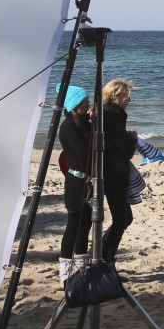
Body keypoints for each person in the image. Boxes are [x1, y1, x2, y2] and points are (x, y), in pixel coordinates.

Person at [57, 85, 93, 283]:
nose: (88, 106)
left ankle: (81, 265)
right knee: (73, 224)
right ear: (75, 106)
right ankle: (65, 269)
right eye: (85, 103)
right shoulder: (69, 127)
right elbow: (83, 153)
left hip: (88, 181)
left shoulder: (83, 123)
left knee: (86, 223)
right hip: (76, 181)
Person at [100, 78, 138, 264]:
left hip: (107, 171)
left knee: (124, 218)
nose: (129, 100)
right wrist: (132, 140)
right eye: (126, 96)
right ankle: (104, 258)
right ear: (116, 95)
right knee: (122, 219)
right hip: (113, 173)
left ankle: (104, 256)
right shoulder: (115, 116)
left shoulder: (104, 113)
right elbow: (123, 151)